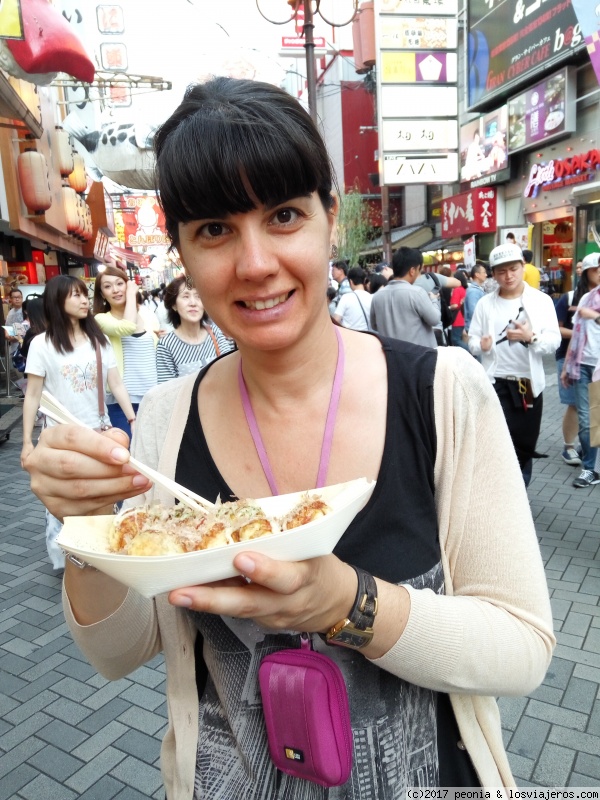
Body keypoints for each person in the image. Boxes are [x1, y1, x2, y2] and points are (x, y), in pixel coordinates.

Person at [23, 77, 554, 798]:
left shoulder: (444, 394)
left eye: (283, 215)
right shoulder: (165, 419)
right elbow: (122, 650)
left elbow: (521, 648)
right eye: (213, 229)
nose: (255, 264)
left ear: (329, 220)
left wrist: (346, 604)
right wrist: (86, 528)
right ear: (178, 249)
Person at [20, 275, 135, 570]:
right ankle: (67, 561)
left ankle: (103, 553)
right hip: (58, 439)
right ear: (57, 301)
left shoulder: (99, 341)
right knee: (61, 502)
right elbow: (32, 395)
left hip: (98, 432)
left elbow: (116, 385)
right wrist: (26, 443)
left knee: (103, 494)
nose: (85, 300)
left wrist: (133, 418)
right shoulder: (42, 345)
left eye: (85, 294)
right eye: (76, 295)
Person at [468, 243, 561, 486]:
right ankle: (498, 489)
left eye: (513, 269)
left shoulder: (540, 301)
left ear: (522, 267)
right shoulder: (485, 304)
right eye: (501, 271)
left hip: (526, 384)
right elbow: (473, 341)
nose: (508, 276)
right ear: (493, 273)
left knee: (523, 440)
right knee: (493, 439)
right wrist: (483, 345)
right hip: (494, 382)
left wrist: (531, 338)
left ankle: (520, 489)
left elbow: (554, 341)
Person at [93, 266, 158, 438]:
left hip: (153, 398)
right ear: (101, 294)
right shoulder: (100, 319)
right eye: (107, 286)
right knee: (127, 454)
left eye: (119, 284)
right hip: (121, 402)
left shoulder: (148, 314)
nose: (115, 290)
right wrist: (131, 295)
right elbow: (127, 327)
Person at [562, 252, 600, 488]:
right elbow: (575, 336)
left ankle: (591, 465)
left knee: (593, 419)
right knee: (587, 419)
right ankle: (590, 468)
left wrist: (594, 315)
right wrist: (567, 366)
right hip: (582, 364)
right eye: (594, 269)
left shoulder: (589, 306)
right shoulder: (586, 298)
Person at [156, 275, 234, 383]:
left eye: (198, 296)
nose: (193, 303)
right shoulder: (166, 346)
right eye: (185, 296)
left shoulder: (215, 333)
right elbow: (166, 392)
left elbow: (231, 371)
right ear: (174, 305)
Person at [370, 246, 441, 347]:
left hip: (391, 357)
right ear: (412, 271)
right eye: (418, 270)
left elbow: (374, 325)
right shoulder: (417, 293)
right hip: (418, 356)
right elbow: (435, 319)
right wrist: (434, 300)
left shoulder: (377, 296)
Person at [554, 286, 581, 466]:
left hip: (594, 359)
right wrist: (582, 333)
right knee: (575, 404)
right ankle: (569, 447)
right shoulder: (569, 297)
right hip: (568, 356)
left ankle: (587, 446)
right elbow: (556, 329)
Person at [415, 267, 459, 346]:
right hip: (437, 330)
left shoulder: (404, 285)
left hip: (417, 335)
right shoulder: (432, 278)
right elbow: (457, 283)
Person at [332, 266, 372, 332]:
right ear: (364, 280)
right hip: (367, 337)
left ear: (350, 281)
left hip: (349, 337)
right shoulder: (371, 297)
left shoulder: (346, 298)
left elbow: (336, 320)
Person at [463, 263, 487, 335]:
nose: (486, 275)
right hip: (475, 329)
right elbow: (473, 311)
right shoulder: (473, 291)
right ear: (477, 274)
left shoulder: (477, 289)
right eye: (484, 272)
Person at [449, 270, 469, 349]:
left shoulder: (457, 289)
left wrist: (449, 307)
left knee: (455, 339)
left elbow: (455, 305)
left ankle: (471, 352)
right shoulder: (464, 289)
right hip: (463, 317)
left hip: (457, 318)